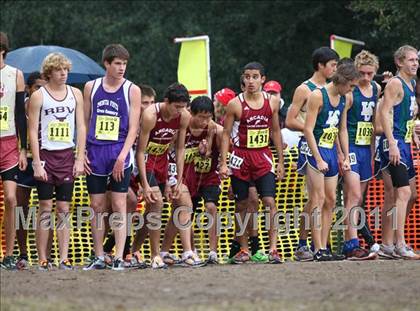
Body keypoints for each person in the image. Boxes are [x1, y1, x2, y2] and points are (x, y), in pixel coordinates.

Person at [83, 44, 141, 271]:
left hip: (119, 150)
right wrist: (82, 153)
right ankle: (98, 256)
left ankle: (118, 255)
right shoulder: (91, 87)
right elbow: (85, 121)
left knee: (119, 203)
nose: (122, 68)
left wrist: (123, 155)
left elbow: (134, 127)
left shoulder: (132, 90)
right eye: (117, 63)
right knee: (97, 205)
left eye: (124, 64)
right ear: (106, 64)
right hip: (95, 151)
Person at [220, 62, 285, 264]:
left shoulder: (272, 102)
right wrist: (224, 162)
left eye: (255, 77)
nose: (250, 81)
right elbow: (225, 134)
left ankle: (273, 249)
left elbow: (275, 131)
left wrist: (281, 161)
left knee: (269, 202)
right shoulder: (235, 104)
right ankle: (244, 249)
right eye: (247, 77)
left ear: (262, 79)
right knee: (242, 204)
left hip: (263, 156)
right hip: (240, 157)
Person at [28, 53, 86, 270]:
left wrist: (80, 157)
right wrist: (36, 161)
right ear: (49, 72)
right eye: (59, 70)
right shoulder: (39, 96)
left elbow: (81, 126)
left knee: (63, 208)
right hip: (45, 155)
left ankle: (64, 257)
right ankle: (43, 257)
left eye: (66, 70)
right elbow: (32, 131)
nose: (63, 74)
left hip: (66, 156)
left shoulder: (75, 94)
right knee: (44, 207)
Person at [285, 47, 339, 261]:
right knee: (317, 197)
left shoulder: (334, 89)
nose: (335, 69)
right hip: (309, 147)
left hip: (328, 147)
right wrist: (311, 131)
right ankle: (310, 245)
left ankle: (308, 242)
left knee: (325, 199)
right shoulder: (304, 89)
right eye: (332, 65)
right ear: (320, 65)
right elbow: (289, 120)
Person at [135, 83, 196, 269]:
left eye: (183, 107)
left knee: (167, 207)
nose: (180, 111)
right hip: (144, 161)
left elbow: (179, 148)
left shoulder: (184, 116)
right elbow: (140, 151)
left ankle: (134, 250)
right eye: (177, 107)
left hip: (163, 162)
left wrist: (177, 179)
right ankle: (155, 256)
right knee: (157, 203)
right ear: (166, 102)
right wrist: (144, 184)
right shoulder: (150, 115)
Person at [304, 62, 360, 261]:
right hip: (314, 150)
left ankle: (325, 246)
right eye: (351, 85)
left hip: (330, 150)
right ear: (342, 81)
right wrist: (318, 158)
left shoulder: (345, 97)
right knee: (317, 199)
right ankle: (317, 248)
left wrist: (344, 156)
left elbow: (341, 129)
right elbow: (308, 129)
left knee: (330, 200)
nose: (352, 90)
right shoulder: (318, 96)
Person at [160, 96, 217, 265]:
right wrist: (167, 181)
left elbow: (208, 152)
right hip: (173, 171)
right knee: (186, 207)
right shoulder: (180, 124)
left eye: (208, 117)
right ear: (191, 113)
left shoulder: (211, 128)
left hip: (192, 175)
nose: (204, 121)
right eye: (200, 117)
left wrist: (204, 152)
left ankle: (163, 252)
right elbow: (167, 150)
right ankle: (188, 253)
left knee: (177, 213)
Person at [378, 45, 419, 259]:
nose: (415, 64)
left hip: (404, 142)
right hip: (393, 144)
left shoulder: (411, 83)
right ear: (399, 62)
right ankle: (399, 244)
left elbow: (405, 115)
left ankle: (388, 244)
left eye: (416, 60)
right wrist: (392, 142)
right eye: (411, 60)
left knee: (407, 195)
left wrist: (412, 134)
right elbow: (384, 112)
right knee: (401, 193)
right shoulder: (395, 83)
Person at [341, 50, 381, 260]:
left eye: (370, 73)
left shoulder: (376, 88)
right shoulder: (350, 92)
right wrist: (344, 154)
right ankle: (352, 243)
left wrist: (374, 152)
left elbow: (374, 124)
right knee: (353, 195)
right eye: (362, 73)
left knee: (357, 198)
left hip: (366, 149)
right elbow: (342, 125)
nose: (366, 78)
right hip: (352, 147)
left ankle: (350, 243)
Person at [0, 32, 27, 270]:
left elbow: (20, 114)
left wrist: (23, 148)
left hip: (8, 143)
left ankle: (8, 254)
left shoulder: (15, 75)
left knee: (11, 198)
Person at [15, 72, 47, 270]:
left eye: (44, 88)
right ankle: (23, 253)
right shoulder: (20, 109)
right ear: (28, 89)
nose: (40, 92)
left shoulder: (49, 107)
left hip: (46, 160)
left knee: (47, 208)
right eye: (37, 88)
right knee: (21, 209)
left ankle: (47, 255)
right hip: (23, 162)